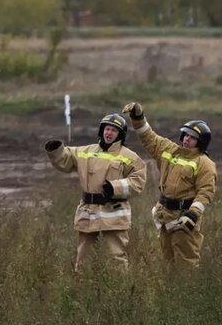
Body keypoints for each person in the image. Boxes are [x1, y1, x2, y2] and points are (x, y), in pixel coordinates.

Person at [45, 113, 147, 271]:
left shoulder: (129, 156)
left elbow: (138, 181)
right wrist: (55, 149)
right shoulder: (85, 151)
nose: (109, 133)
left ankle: (121, 292)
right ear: (101, 131)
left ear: (120, 134)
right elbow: (65, 160)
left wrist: (114, 188)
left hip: (114, 214)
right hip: (88, 213)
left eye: (114, 130)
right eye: (107, 129)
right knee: (83, 260)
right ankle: (83, 291)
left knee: (116, 258)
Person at [122, 102, 217, 267]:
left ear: (201, 141)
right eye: (186, 135)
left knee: (186, 264)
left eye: (192, 137)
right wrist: (138, 117)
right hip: (164, 216)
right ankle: (171, 292)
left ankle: (187, 292)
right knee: (168, 262)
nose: (187, 139)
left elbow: (205, 192)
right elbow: (148, 137)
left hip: (184, 219)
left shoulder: (205, 163)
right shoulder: (169, 150)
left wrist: (192, 215)